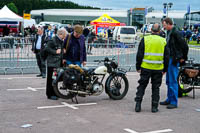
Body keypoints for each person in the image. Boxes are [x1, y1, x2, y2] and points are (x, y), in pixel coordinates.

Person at [135, 23, 170, 113]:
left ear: (151, 30)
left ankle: (138, 105)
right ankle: (154, 107)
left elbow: (139, 55)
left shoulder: (145, 39)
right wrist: (165, 69)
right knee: (155, 88)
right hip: (158, 68)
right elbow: (166, 57)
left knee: (142, 86)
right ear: (159, 31)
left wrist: (138, 66)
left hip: (145, 67)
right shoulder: (163, 41)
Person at [160, 18, 189, 109]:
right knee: (169, 81)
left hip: (174, 59)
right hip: (170, 59)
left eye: (164, 25)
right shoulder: (170, 32)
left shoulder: (176, 33)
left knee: (172, 81)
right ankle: (169, 99)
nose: (163, 27)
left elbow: (185, 46)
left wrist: (183, 58)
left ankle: (173, 101)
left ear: (169, 24)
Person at [45, 28, 67, 100]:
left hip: (57, 63)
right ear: (60, 34)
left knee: (55, 79)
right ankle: (49, 94)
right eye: (64, 35)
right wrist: (55, 52)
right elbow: (46, 48)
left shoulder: (60, 41)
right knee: (50, 79)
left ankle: (54, 93)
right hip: (52, 63)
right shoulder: (53, 40)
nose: (65, 37)